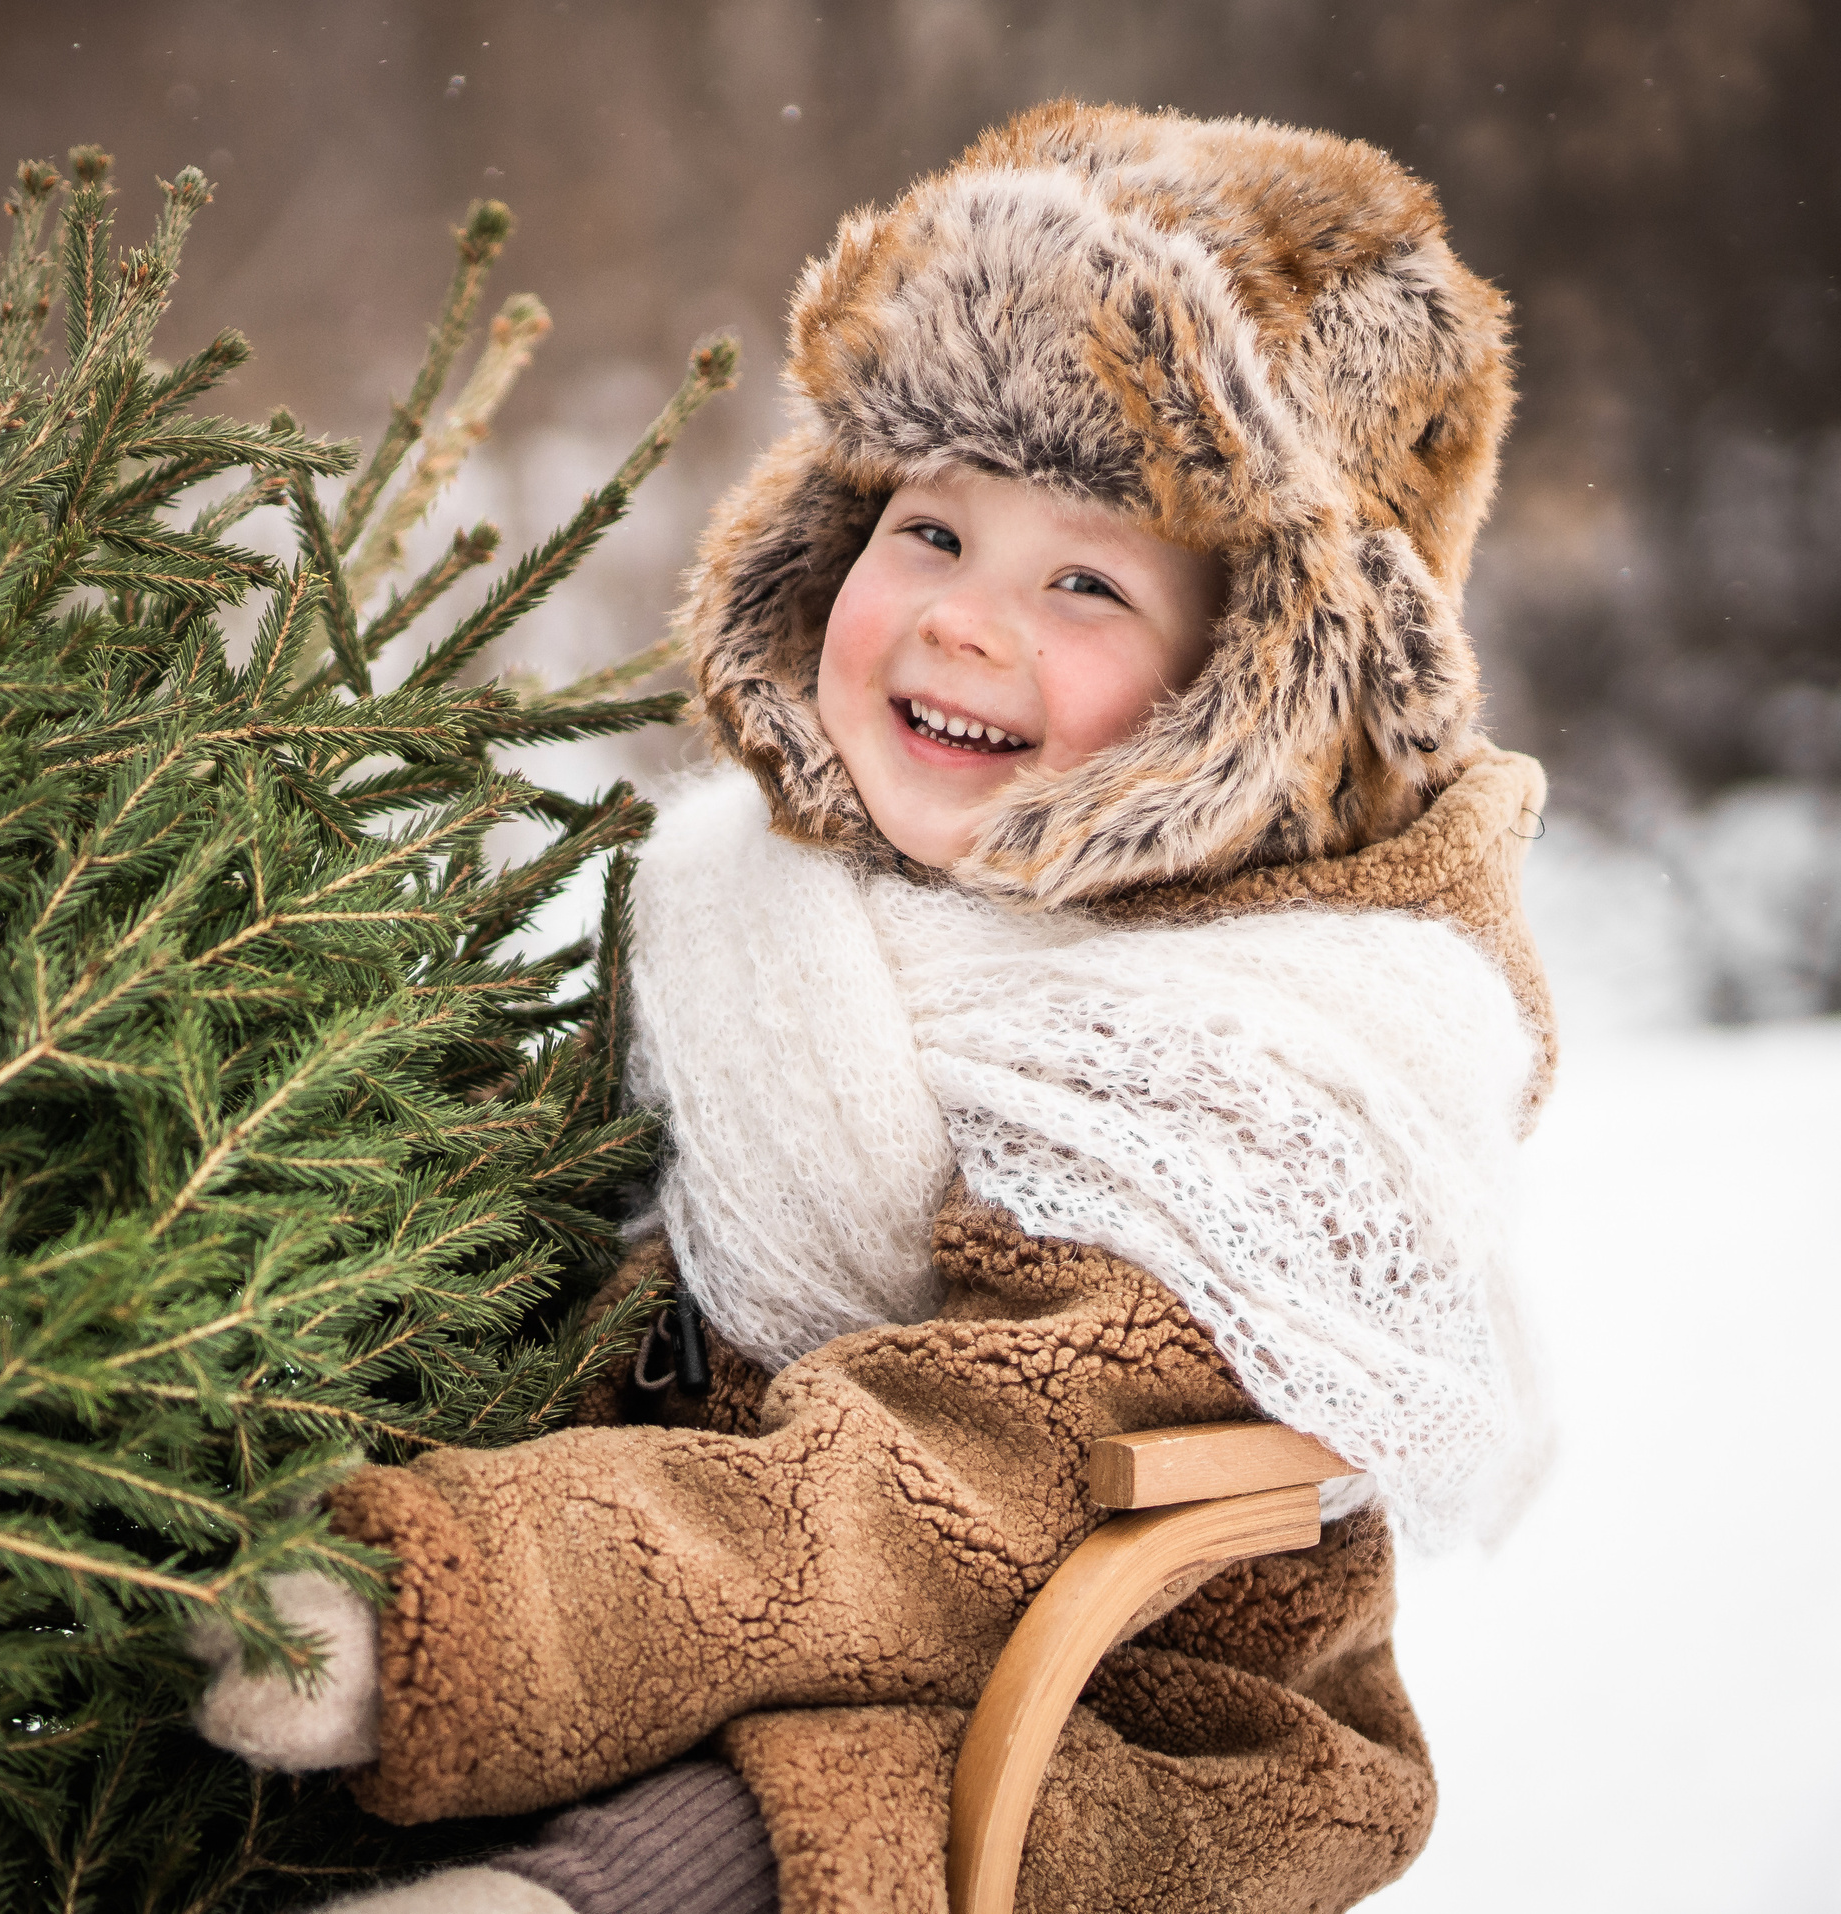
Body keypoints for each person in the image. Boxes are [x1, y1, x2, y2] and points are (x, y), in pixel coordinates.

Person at [187, 100, 1557, 1914]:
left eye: (1084, 577)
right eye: (930, 530)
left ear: (1255, 688)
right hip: (695, 1612)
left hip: (1107, 1720)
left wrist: (472, 1598)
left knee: (809, 1823)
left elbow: (980, 1471)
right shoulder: (765, 907)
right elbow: (551, 1212)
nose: (965, 623)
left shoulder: (1274, 1062)